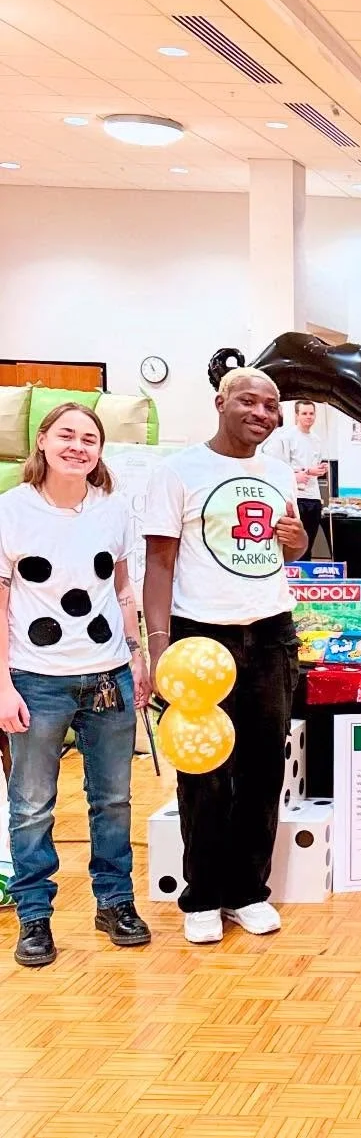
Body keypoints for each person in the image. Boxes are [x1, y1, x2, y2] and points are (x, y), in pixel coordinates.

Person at [142, 370, 306, 946]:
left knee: (264, 767)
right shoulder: (178, 471)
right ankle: (203, 895)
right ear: (220, 401)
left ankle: (247, 891)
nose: (262, 412)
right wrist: (159, 646)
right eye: (249, 400)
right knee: (204, 770)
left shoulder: (279, 470)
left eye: (271, 405)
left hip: (272, 633)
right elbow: (158, 564)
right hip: (199, 639)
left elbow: (294, 544)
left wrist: (296, 539)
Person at [0, 404, 152, 967]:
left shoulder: (112, 510)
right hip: (36, 680)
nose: (78, 446)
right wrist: (2, 687)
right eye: (66, 434)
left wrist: (136, 656)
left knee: (112, 800)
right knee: (32, 804)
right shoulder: (10, 512)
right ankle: (35, 915)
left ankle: (115, 902)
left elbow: (123, 588)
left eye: (90, 438)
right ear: (41, 441)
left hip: (107, 673)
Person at [264, 399, 327, 559]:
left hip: (313, 496)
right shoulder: (286, 437)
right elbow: (276, 466)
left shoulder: (317, 440)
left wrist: (319, 470)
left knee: (308, 543)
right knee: (292, 544)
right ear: (297, 415)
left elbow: (314, 466)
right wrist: (300, 473)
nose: (308, 417)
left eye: (311, 413)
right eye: (304, 413)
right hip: (294, 497)